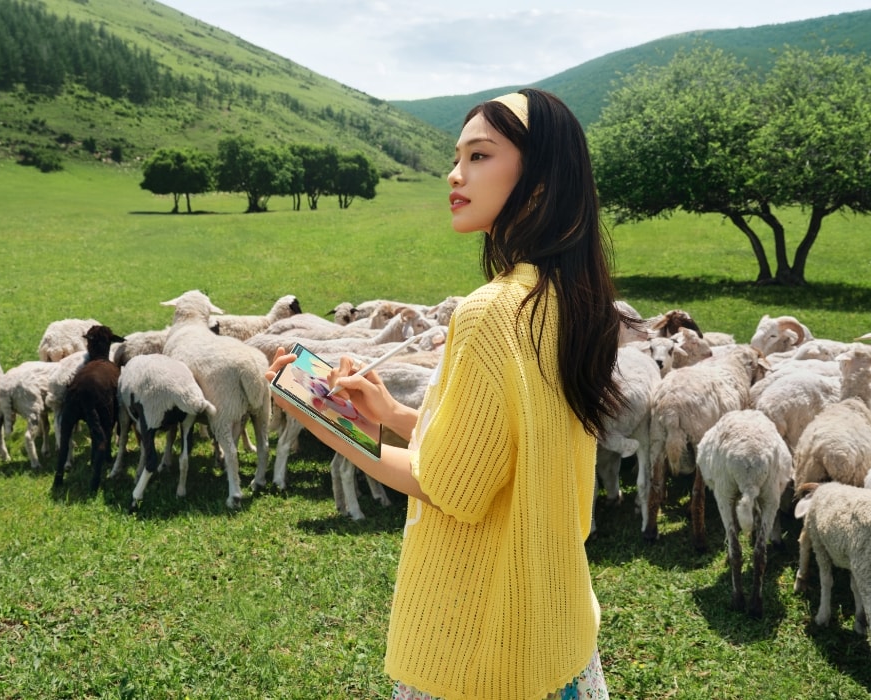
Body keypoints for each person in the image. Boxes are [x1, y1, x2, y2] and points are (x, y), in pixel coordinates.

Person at [266, 87, 631, 700]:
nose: (454, 174)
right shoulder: (571, 299)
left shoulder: (491, 312)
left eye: (480, 156)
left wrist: (324, 418)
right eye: (457, 156)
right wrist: (394, 414)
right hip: (556, 629)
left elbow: (447, 488)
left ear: (540, 181)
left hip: (483, 652)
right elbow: (506, 449)